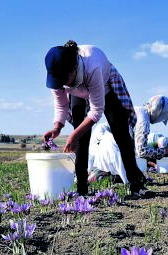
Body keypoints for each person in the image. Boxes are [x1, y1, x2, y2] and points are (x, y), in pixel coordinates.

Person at [41, 40, 150, 198]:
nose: (61, 85)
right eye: (58, 82)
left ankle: (136, 185)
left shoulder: (93, 67)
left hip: (105, 85)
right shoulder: (58, 77)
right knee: (81, 140)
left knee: (121, 134)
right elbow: (61, 105)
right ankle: (82, 190)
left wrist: (74, 135)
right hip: (79, 91)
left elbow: (96, 111)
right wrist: (57, 128)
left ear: (73, 69)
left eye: (64, 80)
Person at [86, 95, 168, 183]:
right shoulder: (143, 121)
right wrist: (164, 151)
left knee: (137, 177)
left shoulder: (140, 111)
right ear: (159, 113)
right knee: (134, 179)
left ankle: (98, 174)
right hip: (110, 142)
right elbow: (141, 151)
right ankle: (99, 177)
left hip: (102, 137)